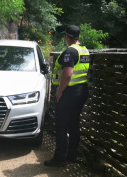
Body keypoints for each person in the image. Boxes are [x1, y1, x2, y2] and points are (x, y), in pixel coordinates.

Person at [44, 25, 90, 167]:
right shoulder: (84, 50)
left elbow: (68, 74)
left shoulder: (70, 51)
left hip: (69, 92)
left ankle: (59, 158)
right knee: (74, 123)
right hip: (82, 91)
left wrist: (60, 91)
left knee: (61, 124)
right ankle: (72, 155)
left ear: (67, 37)